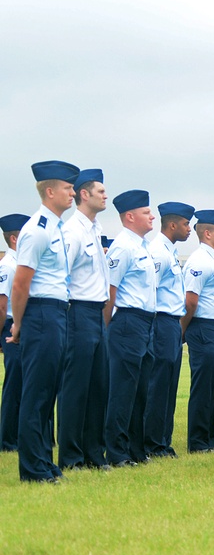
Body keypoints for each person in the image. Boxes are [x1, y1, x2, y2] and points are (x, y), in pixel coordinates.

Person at [11, 160, 79, 483]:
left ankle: (43, 461)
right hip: (40, 314)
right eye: (67, 188)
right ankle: (32, 468)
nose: (72, 193)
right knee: (36, 393)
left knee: (48, 391)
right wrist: (18, 324)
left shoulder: (56, 228)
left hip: (56, 313)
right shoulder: (37, 230)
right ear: (50, 191)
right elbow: (21, 283)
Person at [58, 169, 110, 471]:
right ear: (84, 194)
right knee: (75, 387)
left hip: (95, 314)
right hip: (76, 312)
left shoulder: (93, 228)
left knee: (97, 387)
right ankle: (71, 456)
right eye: (100, 191)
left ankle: (93, 452)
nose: (105, 196)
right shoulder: (73, 231)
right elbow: (61, 275)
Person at [103, 190, 158, 467]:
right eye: (146, 212)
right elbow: (109, 291)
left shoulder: (142, 246)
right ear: (129, 216)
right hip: (126, 321)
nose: (152, 216)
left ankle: (136, 449)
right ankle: (116, 452)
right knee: (123, 389)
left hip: (145, 322)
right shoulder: (123, 246)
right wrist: (108, 327)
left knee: (140, 390)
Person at [146, 202, 194, 458]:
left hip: (172, 323)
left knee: (169, 385)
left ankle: (163, 441)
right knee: (158, 384)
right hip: (161, 321)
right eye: (186, 224)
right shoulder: (158, 252)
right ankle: (153, 443)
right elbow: (149, 290)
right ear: (173, 225)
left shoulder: (170, 251)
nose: (189, 229)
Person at [181, 209, 214, 453]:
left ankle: (211, 437)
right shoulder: (200, 260)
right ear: (208, 233)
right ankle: (199, 441)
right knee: (204, 385)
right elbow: (190, 301)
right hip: (203, 327)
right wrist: (184, 330)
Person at [0, 213, 31, 452]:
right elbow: (2, 305)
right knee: (14, 384)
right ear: (13, 239)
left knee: (26, 384)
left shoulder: (23, 264)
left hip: (25, 327)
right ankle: (8, 440)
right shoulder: (8, 266)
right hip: (10, 328)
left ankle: (21, 436)